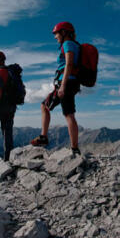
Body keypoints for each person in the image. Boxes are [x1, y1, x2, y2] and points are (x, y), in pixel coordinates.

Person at [31, 21, 81, 155]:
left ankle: (74, 149)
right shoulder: (73, 45)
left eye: (56, 33)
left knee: (68, 114)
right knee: (45, 106)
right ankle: (44, 137)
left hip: (67, 83)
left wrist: (63, 86)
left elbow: (69, 64)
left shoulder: (68, 44)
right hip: (68, 83)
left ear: (64, 32)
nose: (55, 36)